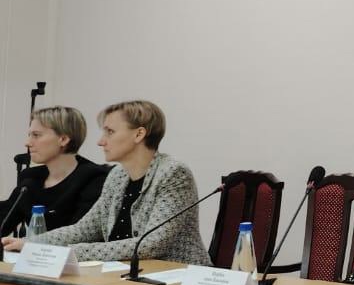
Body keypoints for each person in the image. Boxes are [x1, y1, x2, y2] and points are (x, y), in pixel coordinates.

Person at [2, 100, 209, 265]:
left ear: (139, 134)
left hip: (176, 278)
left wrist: (67, 252)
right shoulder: (117, 176)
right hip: (125, 275)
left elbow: (151, 244)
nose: (101, 141)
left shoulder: (173, 173)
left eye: (110, 132)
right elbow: (84, 230)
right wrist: (30, 243)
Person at [0, 106, 108, 237]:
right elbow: (4, 221)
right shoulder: (30, 179)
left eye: (36, 135)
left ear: (63, 139)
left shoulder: (94, 178)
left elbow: (81, 235)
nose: (27, 143)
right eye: (29, 135)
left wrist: (25, 244)